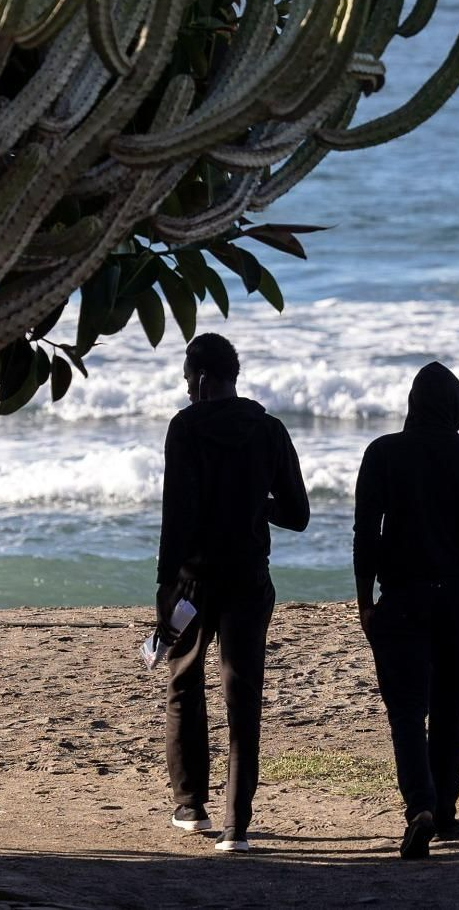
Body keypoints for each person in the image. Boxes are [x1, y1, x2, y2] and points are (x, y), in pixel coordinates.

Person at [353, 361, 459, 859]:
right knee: (450, 709)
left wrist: (364, 600)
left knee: (406, 711)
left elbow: (366, 534)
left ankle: (420, 807)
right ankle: (444, 812)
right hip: (456, 599)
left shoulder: (382, 453)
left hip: (400, 597)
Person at [156, 333, 310, 853]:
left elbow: (176, 513)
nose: (187, 390)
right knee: (243, 697)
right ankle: (235, 827)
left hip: (194, 580)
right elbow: (298, 514)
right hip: (248, 577)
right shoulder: (268, 429)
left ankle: (190, 807)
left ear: (201, 379)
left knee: (184, 682)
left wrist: (166, 584)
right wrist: (253, 505)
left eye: (187, 380)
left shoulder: (185, 427)